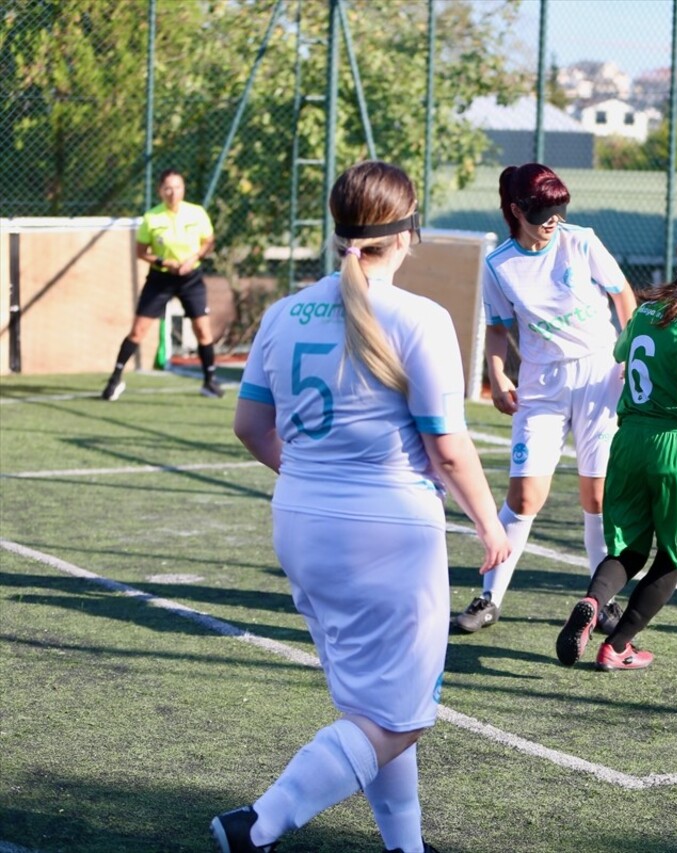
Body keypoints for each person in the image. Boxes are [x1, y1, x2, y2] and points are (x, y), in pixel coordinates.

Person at [211, 161, 510, 853]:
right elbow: (447, 445)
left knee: (370, 707)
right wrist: (490, 522)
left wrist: (317, 478)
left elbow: (249, 428)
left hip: (301, 522)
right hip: (388, 532)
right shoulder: (420, 318)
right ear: (408, 233)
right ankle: (261, 821)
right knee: (401, 716)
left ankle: (404, 846)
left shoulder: (285, 313)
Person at [450, 162, 637, 635]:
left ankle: (603, 602)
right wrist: (496, 374)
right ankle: (489, 597)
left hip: (600, 376)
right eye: (543, 212)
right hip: (542, 385)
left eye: (560, 210)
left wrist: (628, 355)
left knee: (596, 497)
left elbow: (624, 299)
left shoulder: (582, 241)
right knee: (525, 495)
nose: (554, 220)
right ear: (517, 211)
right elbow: (497, 329)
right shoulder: (499, 265)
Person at [555, 228, 677, 671]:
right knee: (674, 557)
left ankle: (593, 600)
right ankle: (617, 646)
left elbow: (622, 356)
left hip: (628, 442)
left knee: (628, 549)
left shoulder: (645, 314)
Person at [101, 168, 222, 400]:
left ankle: (209, 381)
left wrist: (193, 259)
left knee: (202, 330)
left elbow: (208, 241)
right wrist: (164, 262)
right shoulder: (152, 218)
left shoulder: (197, 213)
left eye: (177, 187)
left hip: (191, 278)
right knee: (138, 330)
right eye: (167, 188)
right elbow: (141, 251)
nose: (172, 192)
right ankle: (115, 379)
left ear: (183, 189)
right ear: (160, 191)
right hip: (160, 279)